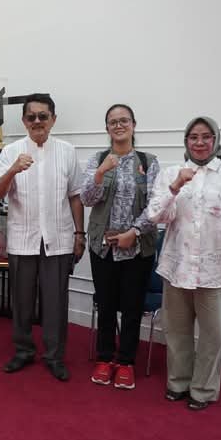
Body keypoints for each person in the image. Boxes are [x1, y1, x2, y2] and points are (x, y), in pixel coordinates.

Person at [147, 116, 221, 410]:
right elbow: (155, 216)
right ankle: (178, 383)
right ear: (186, 141)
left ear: (216, 140)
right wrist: (175, 186)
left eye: (206, 136)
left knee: (212, 335)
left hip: (216, 270)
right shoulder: (171, 173)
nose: (199, 142)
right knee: (176, 332)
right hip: (177, 267)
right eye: (193, 137)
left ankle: (203, 390)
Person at [0, 93, 85, 381]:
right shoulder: (11, 151)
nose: (37, 121)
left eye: (43, 116)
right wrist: (12, 170)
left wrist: (79, 233)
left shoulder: (67, 151)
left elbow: (75, 196)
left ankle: (54, 355)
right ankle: (23, 351)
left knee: (55, 302)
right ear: (24, 121)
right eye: (31, 117)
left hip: (58, 238)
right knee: (21, 300)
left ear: (53, 119)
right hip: (23, 238)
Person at [80, 104, 160, 390]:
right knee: (106, 304)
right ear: (107, 128)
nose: (118, 125)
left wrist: (134, 233)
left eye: (124, 120)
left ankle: (126, 362)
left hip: (136, 247)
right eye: (113, 122)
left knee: (131, 306)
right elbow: (87, 199)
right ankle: (104, 358)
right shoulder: (98, 159)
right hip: (103, 246)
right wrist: (100, 173)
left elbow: (156, 206)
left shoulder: (149, 162)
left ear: (133, 125)